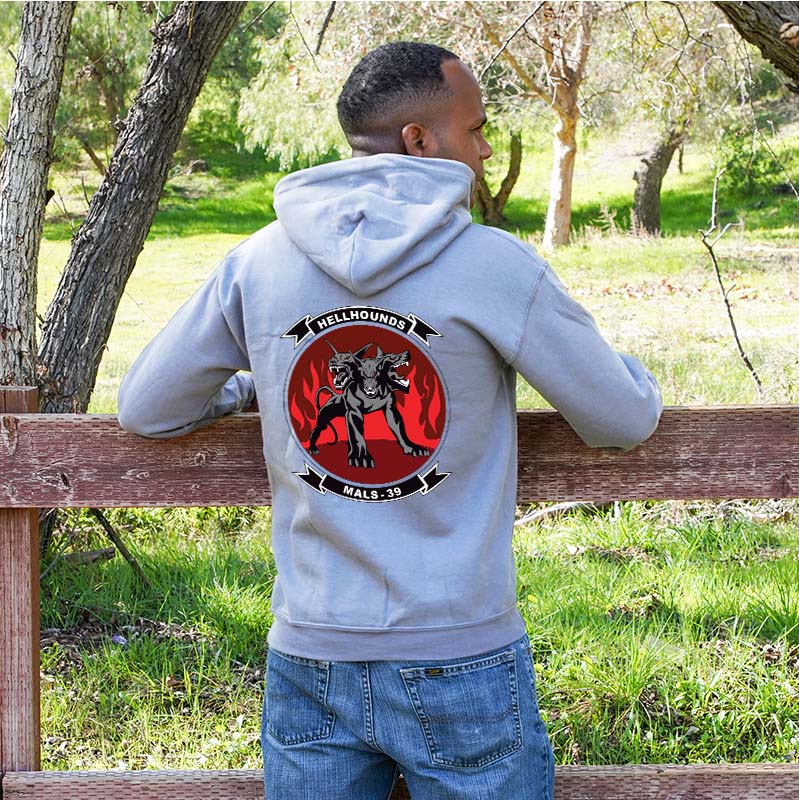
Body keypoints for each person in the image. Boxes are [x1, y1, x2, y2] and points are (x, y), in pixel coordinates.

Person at [118, 41, 662, 800]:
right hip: (460, 648)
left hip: (310, 652)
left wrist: (246, 389)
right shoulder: (495, 267)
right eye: (475, 130)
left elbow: (146, 407)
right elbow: (620, 419)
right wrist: (632, 373)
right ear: (419, 139)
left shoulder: (259, 262)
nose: (484, 151)